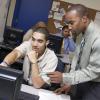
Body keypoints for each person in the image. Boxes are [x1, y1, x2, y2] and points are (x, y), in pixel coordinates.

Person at [48, 4, 100, 100]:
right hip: (81, 80)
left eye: (72, 23)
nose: (69, 27)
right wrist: (70, 83)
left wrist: (66, 77)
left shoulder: (98, 38)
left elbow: (94, 71)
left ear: (84, 19)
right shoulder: (80, 33)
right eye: (68, 23)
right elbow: (76, 59)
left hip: (95, 84)